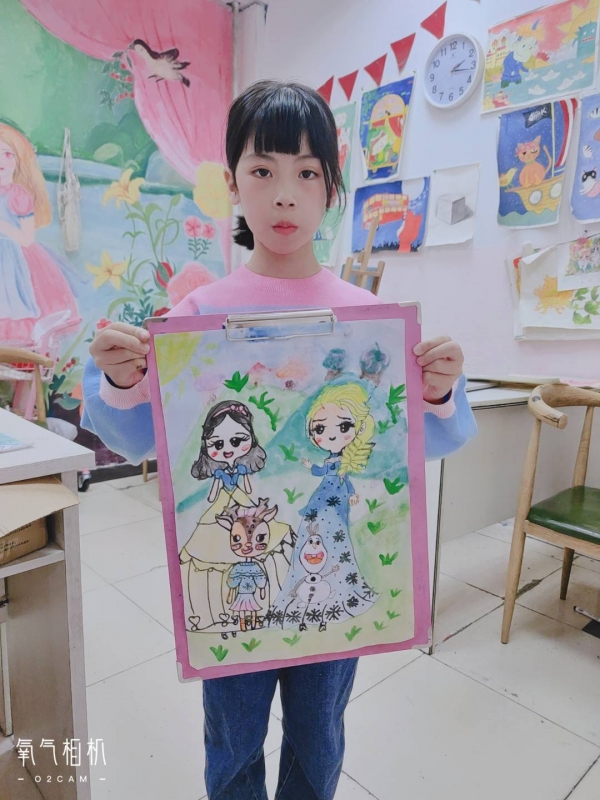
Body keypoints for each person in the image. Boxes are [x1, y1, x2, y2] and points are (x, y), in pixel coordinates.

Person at [82, 79, 477, 800]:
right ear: (233, 183)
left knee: (319, 732)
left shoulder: (370, 318)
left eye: (307, 174)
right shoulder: (194, 316)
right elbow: (140, 438)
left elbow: (412, 450)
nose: (285, 195)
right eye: (263, 171)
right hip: (239, 577)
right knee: (233, 736)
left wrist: (438, 390)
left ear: (331, 190)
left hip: (332, 572)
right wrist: (121, 378)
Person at [268, 383, 378, 632]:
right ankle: (306, 584)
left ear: (358, 427)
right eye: (319, 428)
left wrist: (352, 494)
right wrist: (310, 466)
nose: (330, 435)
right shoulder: (330, 460)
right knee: (312, 529)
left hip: (336, 500)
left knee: (335, 537)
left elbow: (345, 480)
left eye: (343, 427)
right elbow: (321, 472)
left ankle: (338, 586)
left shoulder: (343, 462)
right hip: (322, 498)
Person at [181, 400, 294, 638]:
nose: (228, 449)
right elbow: (212, 493)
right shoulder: (219, 472)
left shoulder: (242, 470)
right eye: (217, 444)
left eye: (237, 441)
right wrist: (217, 491)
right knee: (215, 543)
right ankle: (224, 611)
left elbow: (249, 488)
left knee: (254, 531)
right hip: (224, 502)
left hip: (241, 499)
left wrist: (246, 487)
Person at [0, 123, 80, 343]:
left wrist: (3, 226)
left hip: (13, 261)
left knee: (14, 310)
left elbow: (27, 239)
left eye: (8, 154)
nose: (1, 161)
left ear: (19, 159)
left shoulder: (18, 195)